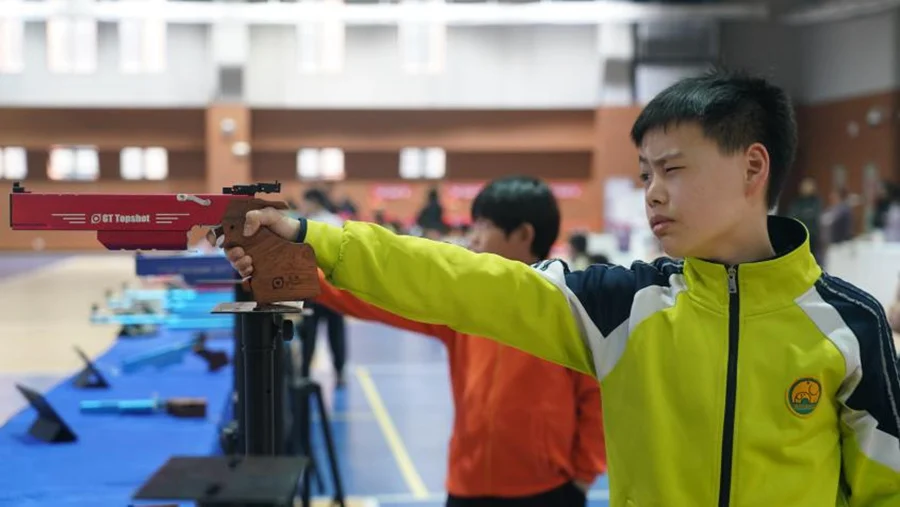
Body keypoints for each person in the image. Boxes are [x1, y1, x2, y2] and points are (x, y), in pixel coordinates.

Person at [218, 70, 900, 506]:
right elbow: (459, 280)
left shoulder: (851, 324)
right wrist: (319, 238)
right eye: (643, 175)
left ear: (753, 166)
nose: (654, 194)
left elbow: (883, 487)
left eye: (673, 168)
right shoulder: (621, 306)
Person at [313, 176, 605, 507]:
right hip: (468, 484)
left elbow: (594, 398)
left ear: (523, 235)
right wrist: (307, 279)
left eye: (483, 227)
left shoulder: (564, 309)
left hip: (548, 488)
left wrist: (583, 476)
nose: (472, 239)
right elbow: (381, 298)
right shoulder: (464, 306)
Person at [297, 188, 348, 385]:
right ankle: (305, 371)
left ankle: (337, 371)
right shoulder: (302, 221)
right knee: (309, 334)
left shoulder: (329, 222)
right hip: (313, 289)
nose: (303, 206)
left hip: (329, 287)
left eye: (305, 202)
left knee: (334, 334)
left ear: (314, 202)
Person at [788, 176, 823, 262]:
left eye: (808, 186)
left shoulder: (815, 201)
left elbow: (815, 215)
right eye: (804, 186)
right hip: (799, 236)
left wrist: (804, 215)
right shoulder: (797, 202)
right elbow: (792, 216)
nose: (805, 188)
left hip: (812, 235)